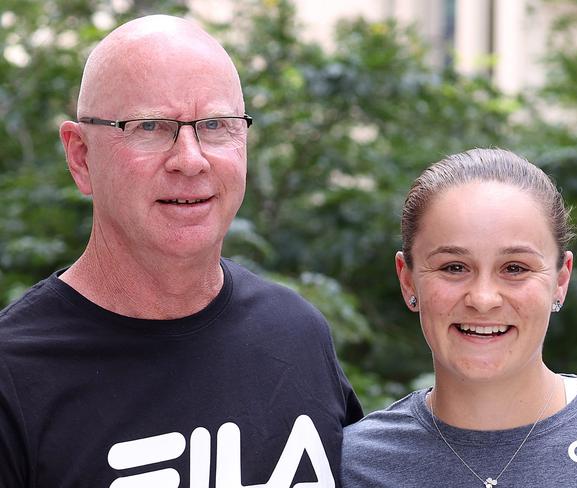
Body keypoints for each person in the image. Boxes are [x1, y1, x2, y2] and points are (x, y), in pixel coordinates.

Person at [0, 15, 362, 487]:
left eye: (215, 125)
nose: (190, 159)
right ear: (81, 156)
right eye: (150, 126)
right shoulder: (14, 377)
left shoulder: (296, 334)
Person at [341, 148, 577, 487]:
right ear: (407, 279)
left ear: (560, 280)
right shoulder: (349, 465)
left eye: (515, 268)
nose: (483, 299)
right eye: (454, 267)